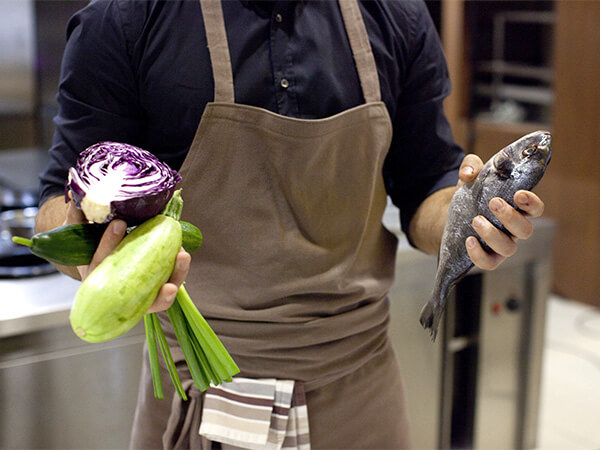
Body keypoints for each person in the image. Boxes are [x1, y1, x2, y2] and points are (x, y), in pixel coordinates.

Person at [36, 0, 545, 448]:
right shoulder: (127, 18)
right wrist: (93, 257)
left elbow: (425, 185)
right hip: (206, 395)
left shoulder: (396, 15)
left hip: (362, 393)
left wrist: (471, 219)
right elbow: (57, 206)